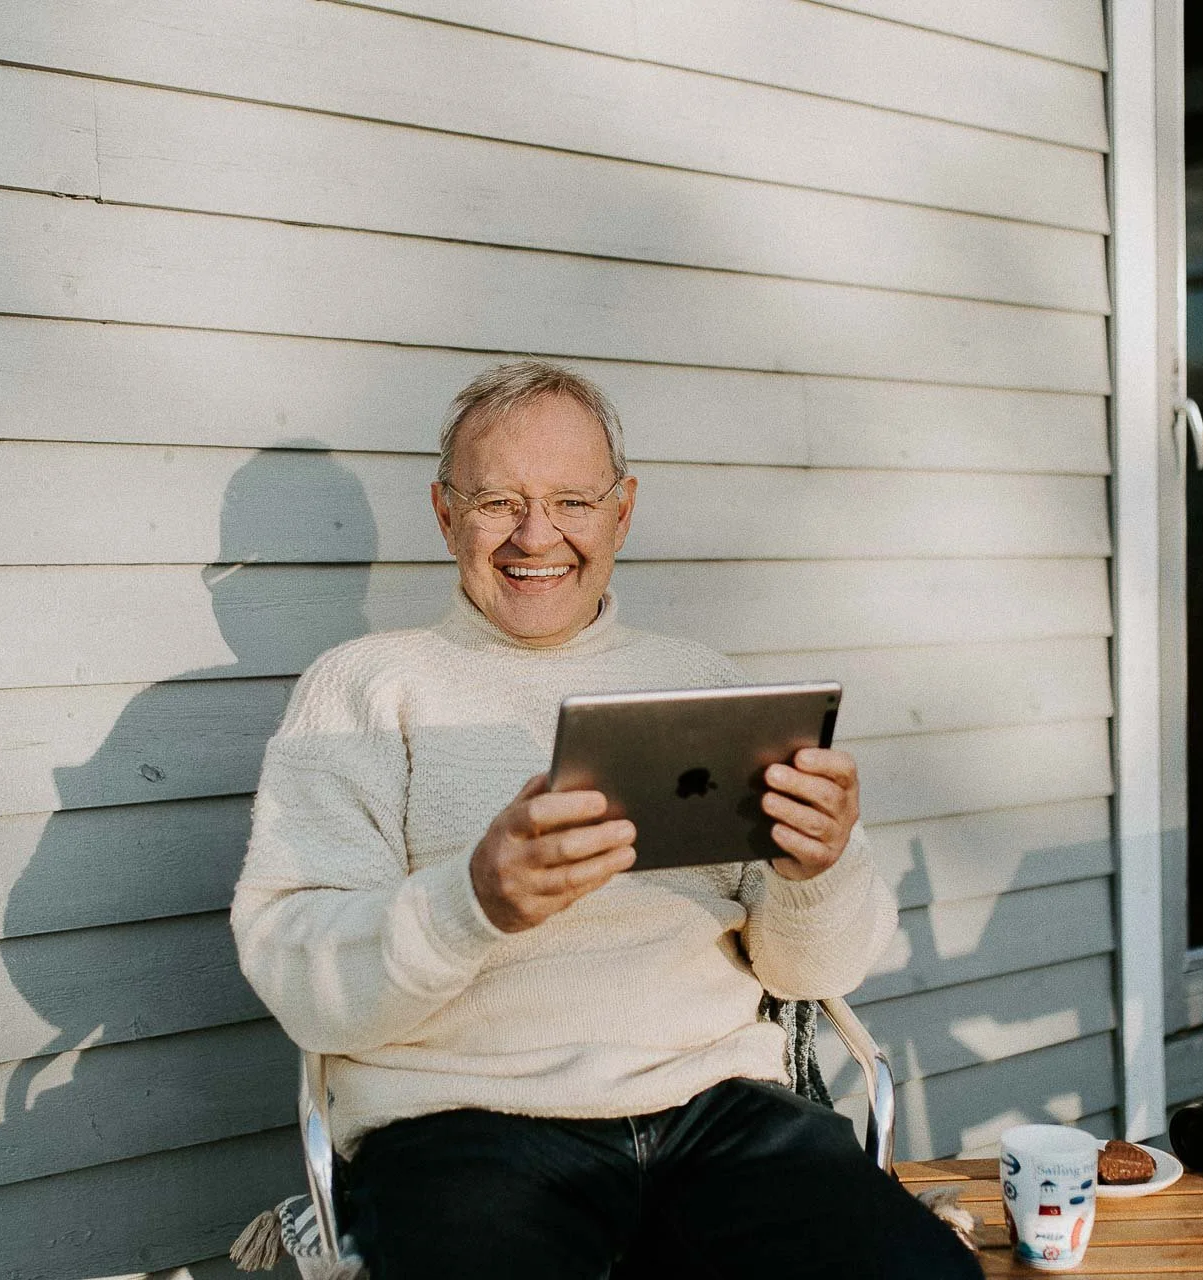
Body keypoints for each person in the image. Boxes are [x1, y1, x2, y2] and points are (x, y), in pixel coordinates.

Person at [230, 361, 980, 1279]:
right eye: (497, 501)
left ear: (622, 512)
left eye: (572, 502)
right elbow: (296, 973)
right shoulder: (362, 689)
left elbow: (813, 972)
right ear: (444, 513)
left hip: (720, 1109)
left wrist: (815, 869)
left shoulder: (703, 684)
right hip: (466, 1121)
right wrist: (471, 902)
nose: (535, 536)